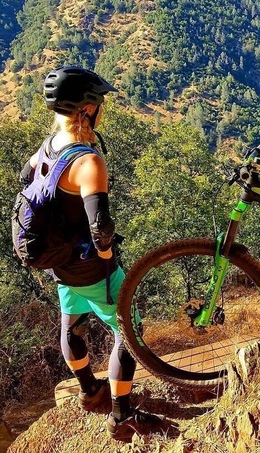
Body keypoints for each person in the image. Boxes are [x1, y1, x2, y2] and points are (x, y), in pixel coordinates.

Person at [21, 66, 168, 441]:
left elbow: (27, 180)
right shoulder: (88, 163)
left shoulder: (47, 148)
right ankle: (122, 415)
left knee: (71, 324)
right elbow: (100, 229)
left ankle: (89, 391)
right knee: (128, 330)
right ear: (86, 109)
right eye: (99, 102)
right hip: (91, 269)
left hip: (61, 264)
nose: (102, 108)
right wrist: (106, 257)